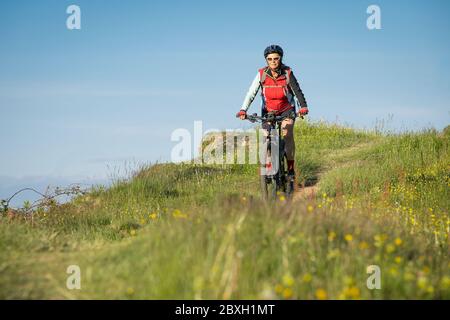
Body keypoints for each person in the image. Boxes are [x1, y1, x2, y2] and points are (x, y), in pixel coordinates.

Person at [236, 44, 309, 178]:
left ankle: (291, 167)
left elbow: (297, 92)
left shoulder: (287, 73)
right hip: (268, 111)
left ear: (280, 58)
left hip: (286, 110)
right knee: (265, 136)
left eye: (276, 58)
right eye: (269, 59)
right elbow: (251, 93)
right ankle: (269, 164)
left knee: (287, 133)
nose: (273, 61)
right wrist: (243, 109)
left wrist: (303, 107)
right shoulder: (262, 74)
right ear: (266, 60)